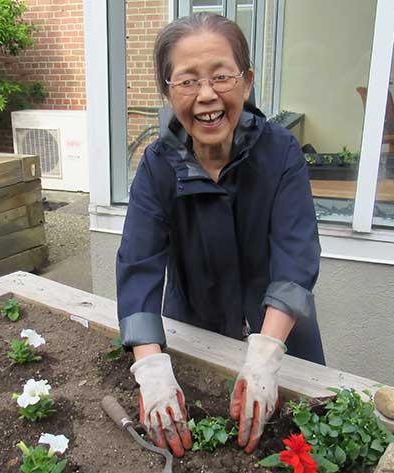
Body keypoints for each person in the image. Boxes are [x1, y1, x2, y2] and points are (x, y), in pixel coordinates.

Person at [116, 12, 324, 458]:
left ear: (246, 82)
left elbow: (296, 253)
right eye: (187, 81)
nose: (206, 95)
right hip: (197, 330)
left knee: (309, 445)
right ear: (168, 92)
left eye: (221, 77)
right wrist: (151, 369)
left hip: (281, 333)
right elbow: (139, 266)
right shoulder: (157, 165)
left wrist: (266, 356)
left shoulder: (280, 151)